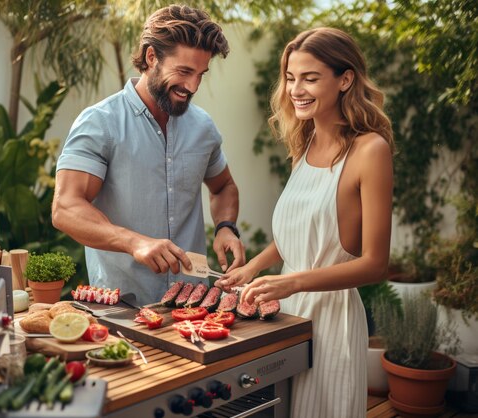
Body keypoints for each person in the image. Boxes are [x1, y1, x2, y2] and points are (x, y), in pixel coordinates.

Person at [216, 27, 394, 418]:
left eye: (311, 78)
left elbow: (374, 264)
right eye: (291, 78)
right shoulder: (305, 143)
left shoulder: (370, 151)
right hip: (286, 314)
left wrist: (290, 281)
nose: (296, 89)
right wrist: (253, 268)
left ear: (345, 79)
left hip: (332, 321)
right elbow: (299, 234)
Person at [52, 4, 245, 306]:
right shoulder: (100, 122)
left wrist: (225, 227)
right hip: (122, 309)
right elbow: (65, 208)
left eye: (200, 74)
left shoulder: (203, 127)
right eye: (183, 71)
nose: (192, 86)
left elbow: (223, 187)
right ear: (151, 56)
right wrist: (133, 242)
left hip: (193, 306)